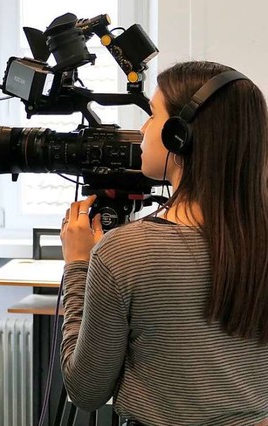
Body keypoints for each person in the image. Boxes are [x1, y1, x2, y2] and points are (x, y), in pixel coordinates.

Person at [59, 60, 268, 426]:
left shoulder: (124, 253)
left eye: (152, 116)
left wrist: (79, 265)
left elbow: (87, 391)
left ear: (178, 136)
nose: (141, 130)